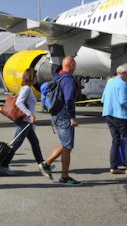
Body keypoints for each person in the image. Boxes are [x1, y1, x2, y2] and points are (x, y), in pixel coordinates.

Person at [39, 56, 81, 185]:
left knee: (65, 144)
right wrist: (72, 117)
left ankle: (47, 164)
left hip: (56, 114)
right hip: (64, 116)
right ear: (72, 64)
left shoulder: (58, 76)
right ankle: (64, 177)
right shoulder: (68, 79)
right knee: (68, 147)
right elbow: (68, 99)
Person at [0, 69, 45, 176]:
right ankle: (3, 166)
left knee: (35, 143)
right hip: (25, 121)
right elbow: (19, 103)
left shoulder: (27, 88)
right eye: (35, 77)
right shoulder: (27, 89)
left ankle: (42, 166)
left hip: (27, 122)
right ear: (31, 78)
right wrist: (30, 114)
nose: (37, 79)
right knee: (15, 144)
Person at [101, 63, 127, 174]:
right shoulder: (123, 84)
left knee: (115, 140)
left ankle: (113, 167)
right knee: (126, 140)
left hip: (108, 114)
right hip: (120, 115)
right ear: (125, 74)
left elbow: (103, 99)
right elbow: (123, 101)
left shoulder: (110, 82)